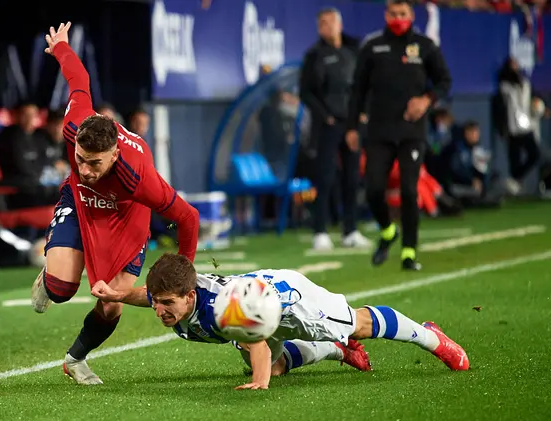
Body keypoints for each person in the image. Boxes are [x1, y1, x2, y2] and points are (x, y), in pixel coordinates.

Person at [33, 22, 200, 385]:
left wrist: (187, 271)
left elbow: (188, 218)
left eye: (94, 163)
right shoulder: (75, 126)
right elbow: (79, 81)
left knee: (111, 302)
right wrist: (61, 47)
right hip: (80, 202)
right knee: (61, 289)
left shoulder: (140, 180)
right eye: (79, 159)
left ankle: (76, 359)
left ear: (113, 155)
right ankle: (50, 277)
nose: (85, 168)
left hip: (127, 214)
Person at [92, 253, 469, 390]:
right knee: (278, 366)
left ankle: (430, 337)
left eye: (168, 304)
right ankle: (334, 352)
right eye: (158, 303)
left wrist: (259, 384)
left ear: (190, 297)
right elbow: (148, 292)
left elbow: (254, 340)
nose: (160, 311)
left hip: (288, 300)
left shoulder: (217, 311)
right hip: (256, 316)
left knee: (356, 323)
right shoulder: (174, 296)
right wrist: (117, 294)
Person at [346, 0, 451, 271]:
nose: (398, 18)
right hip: (379, 131)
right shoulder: (372, 47)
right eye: (393, 14)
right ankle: (387, 230)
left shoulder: (425, 45)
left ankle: (409, 251)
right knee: (373, 190)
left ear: (411, 15)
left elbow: (444, 81)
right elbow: (357, 90)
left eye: (402, 14)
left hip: (411, 132)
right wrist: (351, 127)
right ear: (385, 15)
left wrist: (426, 100)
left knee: (408, 190)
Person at [300, 7, 370, 251]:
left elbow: (364, 86)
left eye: (330, 22)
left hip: (352, 125)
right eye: (321, 23)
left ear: (339, 24)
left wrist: (362, 115)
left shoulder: (354, 50)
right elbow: (305, 92)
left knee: (352, 178)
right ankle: (320, 230)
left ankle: (350, 230)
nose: (326, 27)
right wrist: (325, 116)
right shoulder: (314, 55)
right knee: (325, 177)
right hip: (328, 126)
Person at [0, 103, 63, 208]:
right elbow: (22, 167)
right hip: (17, 190)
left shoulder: (38, 137)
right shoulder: (10, 136)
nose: (29, 119)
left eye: (33, 115)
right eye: (25, 115)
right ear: (17, 116)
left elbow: (46, 162)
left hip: (34, 186)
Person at [497, 57, 543, 196]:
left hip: (526, 127)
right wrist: (502, 128)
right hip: (512, 129)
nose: (515, 68)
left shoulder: (526, 84)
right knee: (514, 161)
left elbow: (535, 100)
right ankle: (515, 186)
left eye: (516, 64)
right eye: (512, 65)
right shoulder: (504, 87)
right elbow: (500, 109)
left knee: (535, 154)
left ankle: (516, 180)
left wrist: (539, 107)